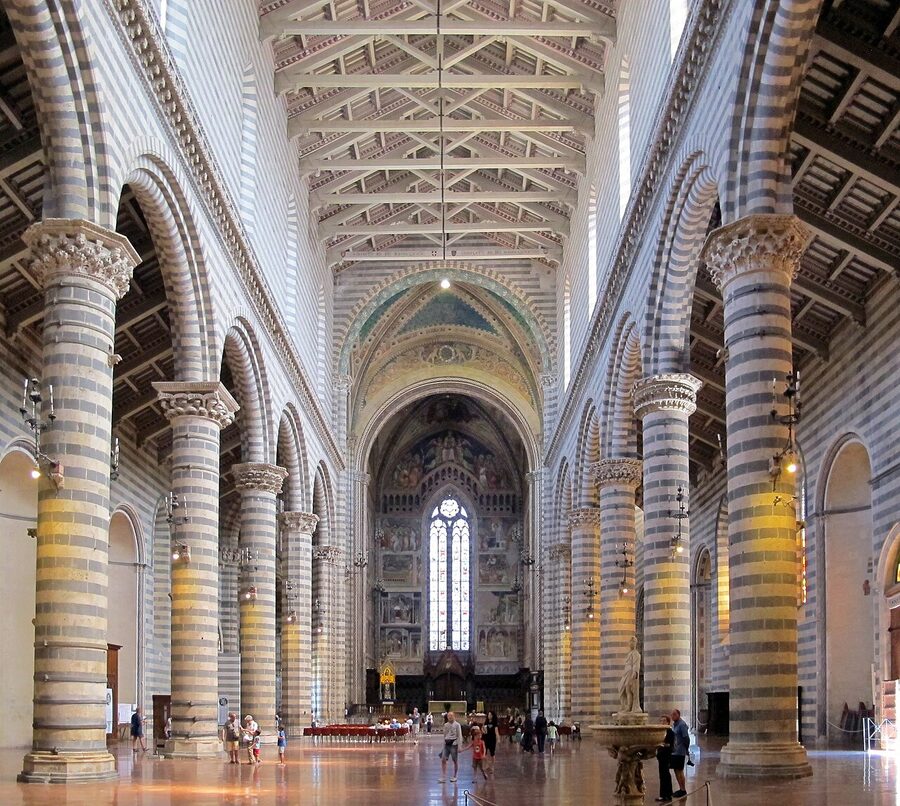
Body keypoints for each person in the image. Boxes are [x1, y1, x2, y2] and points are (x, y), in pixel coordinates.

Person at [439, 711, 463, 783]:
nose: (450, 717)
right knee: (443, 759)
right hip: (447, 744)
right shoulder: (446, 725)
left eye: (451, 716)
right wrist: (443, 744)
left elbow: (459, 736)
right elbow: (445, 735)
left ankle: (455, 776)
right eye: (448, 716)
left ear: (454, 716)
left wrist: (459, 746)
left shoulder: (457, 725)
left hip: (454, 744)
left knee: (454, 760)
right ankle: (443, 776)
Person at [670, 709, 690, 799]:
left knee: (679, 770)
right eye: (672, 715)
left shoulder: (682, 725)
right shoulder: (675, 724)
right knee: (676, 770)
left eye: (674, 714)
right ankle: (680, 789)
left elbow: (686, 738)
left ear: (678, 715)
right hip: (675, 751)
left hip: (680, 751)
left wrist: (686, 749)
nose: (672, 716)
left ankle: (683, 789)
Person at [619, 635, 642, 713]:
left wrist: (635, 672)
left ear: (635, 643)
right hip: (626, 673)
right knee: (621, 689)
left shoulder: (636, 653)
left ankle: (629, 707)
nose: (631, 644)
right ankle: (624, 706)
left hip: (630, 674)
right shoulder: (630, 653)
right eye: (630, 642)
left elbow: (636, 664)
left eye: (633, 642)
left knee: (628, 690)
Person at [655, 714, 675, 803]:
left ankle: (666, 795)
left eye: (664, 721)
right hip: (661, 755)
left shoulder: (670, 732)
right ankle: (664, 794)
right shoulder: (661, 731)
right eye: (661, 720)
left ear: (668, 722)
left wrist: (661, 744)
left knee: (665, 775)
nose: (662, 722)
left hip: (666, 755)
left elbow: (670, 744)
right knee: (663, 775)